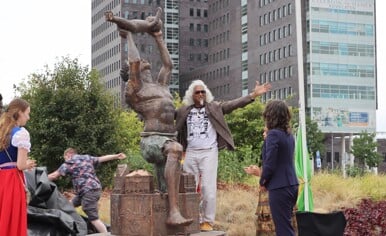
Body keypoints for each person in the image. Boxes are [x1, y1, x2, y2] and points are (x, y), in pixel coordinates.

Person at [105, 7, 194, 226]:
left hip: (167, 139)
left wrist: (158, 36)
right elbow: (134, 62)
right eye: (140, 63)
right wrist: (129, 34)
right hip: (151, 141)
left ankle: (168, 216)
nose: (144, 61)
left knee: (167, 185)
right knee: (176, 150)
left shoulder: (160, 85)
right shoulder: (137, 89)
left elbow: (168, 64)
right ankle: (173, 213)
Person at [176, 79, 271, 231]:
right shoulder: (183, 111)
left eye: (203, 91)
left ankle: (207, 221)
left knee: (208, 188)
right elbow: (167, 117)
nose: (200, 94)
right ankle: (192, 218)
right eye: (197, 92)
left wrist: (253, 95)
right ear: (191, 95)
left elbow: (233, 104)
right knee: (188, 188)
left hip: (209, 152)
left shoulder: (214, 107)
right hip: (191, 153)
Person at [48, 148, 127, 233]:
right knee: (68, 205)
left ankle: (105, 234)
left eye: (65, 158)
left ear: (68, 155)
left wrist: (39, 177)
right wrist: (116, 156)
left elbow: (54, 175)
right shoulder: (87, 158)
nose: (65, 160)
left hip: (88, 191)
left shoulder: (69, 162)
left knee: (93, 217)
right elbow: (102, 158)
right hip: (92, 189)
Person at [260, 100, 299, 236]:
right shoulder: (289, 136)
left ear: (270, 115)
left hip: (279, 186)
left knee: (283, 229)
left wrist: (263, 181)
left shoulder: (273, 135)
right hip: (292, 184)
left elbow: (269, 162)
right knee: (286, 225)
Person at [0, 98, 37, 236]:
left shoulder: (2, 132)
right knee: (12, 220)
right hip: (12, 181)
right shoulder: (21, 133)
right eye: (27, 113)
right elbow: (21, 165)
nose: (28, 117)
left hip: (1, 179)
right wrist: (28, 164)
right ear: (19, 113)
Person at [244, 126, 275, 236]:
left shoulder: (275, 148)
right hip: (266, 196)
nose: (263, 134)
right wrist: (256, 171)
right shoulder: (268, 148)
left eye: (266, 132)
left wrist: (259, 173)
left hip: (272, 196)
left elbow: (273, 173)